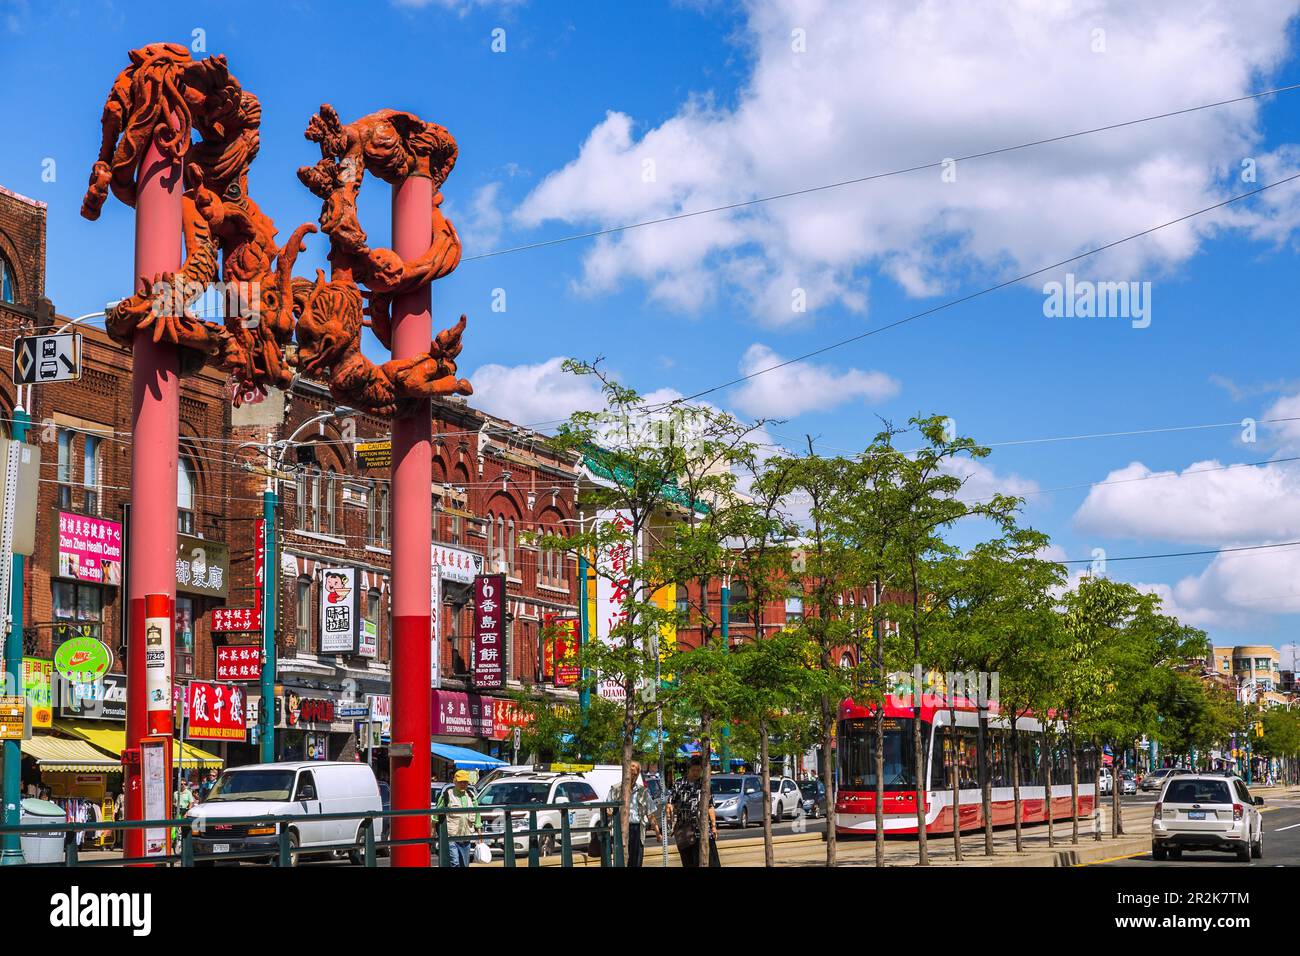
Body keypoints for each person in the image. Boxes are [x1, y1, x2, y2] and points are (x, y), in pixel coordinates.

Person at [667, 756, 720, 867]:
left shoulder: (704, 784)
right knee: (689, 861)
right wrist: (670, 815)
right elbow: (670, 802)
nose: (696, 773)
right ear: (688, 769)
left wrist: (714, 826)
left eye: (698, 770)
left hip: (703, 829)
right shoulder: (679, 783)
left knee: (710, 860)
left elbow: (710, 806)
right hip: (685, 829)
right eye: (693, 770)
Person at [606, 760, 661, 867]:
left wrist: (658, 833)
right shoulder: (616, 789)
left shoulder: (643, 791)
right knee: (621, 861)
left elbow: (650, 814)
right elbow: (608, 810)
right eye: (630, 773)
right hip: (620, 830)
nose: (632, 776)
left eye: (635, 774)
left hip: (637, 829)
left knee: (636, 861)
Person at [436, 769, 480, 867]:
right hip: (451, 835)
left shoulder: (471, 795)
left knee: (464, 864)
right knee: (454, 863)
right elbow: (436, 813)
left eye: (465, 782)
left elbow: (477, 814)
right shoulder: (447, 795)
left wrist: (479, 832)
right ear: (454, 781)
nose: (463, 784)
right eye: (461, 782)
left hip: (466, 836)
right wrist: (432, 830)